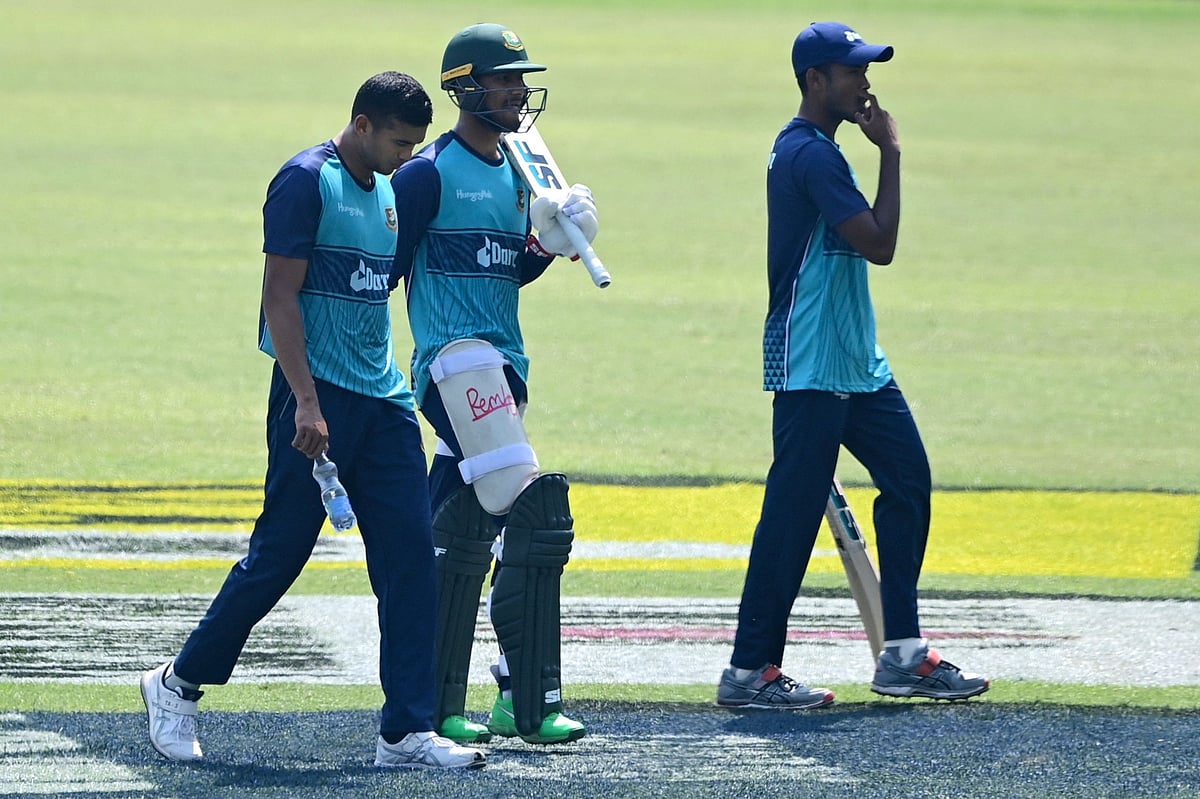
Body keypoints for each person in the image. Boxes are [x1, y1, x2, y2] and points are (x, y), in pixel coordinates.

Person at [138, 71, 485, 770]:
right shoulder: (305, 181)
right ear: (361, 123)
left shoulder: (390, 189)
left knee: (412, 559)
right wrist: (305, 400)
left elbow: (374, 291)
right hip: (316, 400)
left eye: (416, 144)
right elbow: (279, 298)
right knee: (279, 556)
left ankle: (405, 730)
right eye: (396, 140)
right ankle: (176, 686)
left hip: (383, 404)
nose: (406, 156)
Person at [717, 22, 989, 709]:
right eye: (852, 71)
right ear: (816, 81)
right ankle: (750, 669)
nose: (865, 82)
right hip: (812, 360)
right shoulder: (810, 156)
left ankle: (901, 652)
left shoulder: (814, 150)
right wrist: (891, 152)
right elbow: (879, 244)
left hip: (855, 361)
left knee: (907, 479)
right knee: (793, 512)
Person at [388, 23, 598, 746]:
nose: (515, 91)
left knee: (453, 534)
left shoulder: (518, 169)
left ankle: (432, 702)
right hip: (453, 362)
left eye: (519, 79)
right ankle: (526, 699)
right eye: (503, 79)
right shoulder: (427, 173)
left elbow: (508, 266)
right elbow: (382, 270)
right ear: (465, 87)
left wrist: (550, 241)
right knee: (533, 511)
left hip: (504, 363)